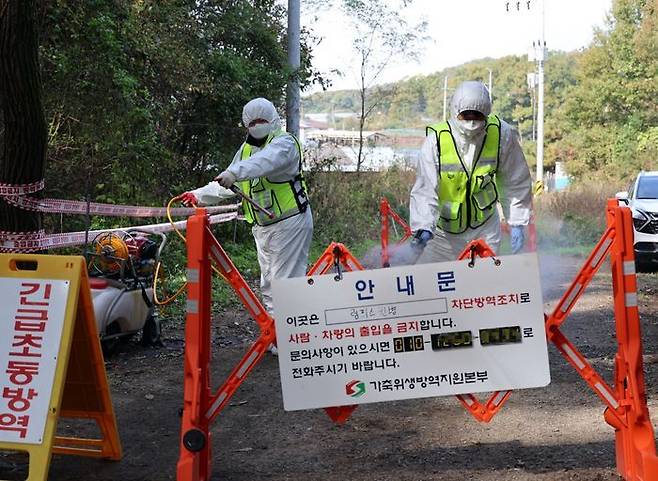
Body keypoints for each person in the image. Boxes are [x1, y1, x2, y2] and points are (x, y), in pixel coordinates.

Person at [180, 98, 313, 352]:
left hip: (290, 223)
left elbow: (261, 164)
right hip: (263, 227)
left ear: (274, 120)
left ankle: (294, 342)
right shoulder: (245, 151)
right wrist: (198, 194)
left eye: (262, 121)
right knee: (270, 284)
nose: (257, 126)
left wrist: (235, 173)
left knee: (286, 283)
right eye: (252, 122)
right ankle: (279, 338)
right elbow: (227, 181)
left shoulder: (284, 144)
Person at [409, 80, 532, 262]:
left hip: (485, 229)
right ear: (455, 111)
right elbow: (425, 188)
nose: (472, 122)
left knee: (482, 287)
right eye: (466, 116)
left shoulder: (502, 135)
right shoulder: (436, 141)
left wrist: (517, 222)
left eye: (478, 115)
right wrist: (424, 226)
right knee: (437, 285)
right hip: (443, 234)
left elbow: (515, 181)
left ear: (487, 113)